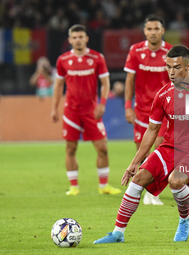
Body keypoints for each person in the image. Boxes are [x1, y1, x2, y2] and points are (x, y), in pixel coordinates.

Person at [93, 45, 189, 244]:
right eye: (168, 67)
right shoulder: (162, 95)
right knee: (138, 178)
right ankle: (117, 233)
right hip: (169, 147)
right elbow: (151, 131)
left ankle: (185, 220)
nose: (171, 72)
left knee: (175, 181)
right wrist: (134, 162)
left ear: (188, 66)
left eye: (176, 67)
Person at [51, 24, 121, 196]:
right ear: (70, 40)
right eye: (74, 37)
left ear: (86, 38)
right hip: (71, 112)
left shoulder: (97, 58)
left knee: (102, 148)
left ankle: (104, 186)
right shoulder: (63, 60)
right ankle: (74, 186)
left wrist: (102, 103)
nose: (78, 40)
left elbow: (105, 83)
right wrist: (54, 108)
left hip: (92, 111)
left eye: (81, 37)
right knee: (71, 149)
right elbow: (59, 85)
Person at [124, 15, 173, 205]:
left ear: (162, 31)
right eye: (149, 29)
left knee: (159, 149)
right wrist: (128, 106)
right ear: (145, 31)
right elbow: (129, 80)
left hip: (164, 109)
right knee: (142, 152)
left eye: (156, 29)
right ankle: (141, 189)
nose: (153, 32)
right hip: (142, 109)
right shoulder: (135, 50)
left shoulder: (169, 51)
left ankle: (154, 193)